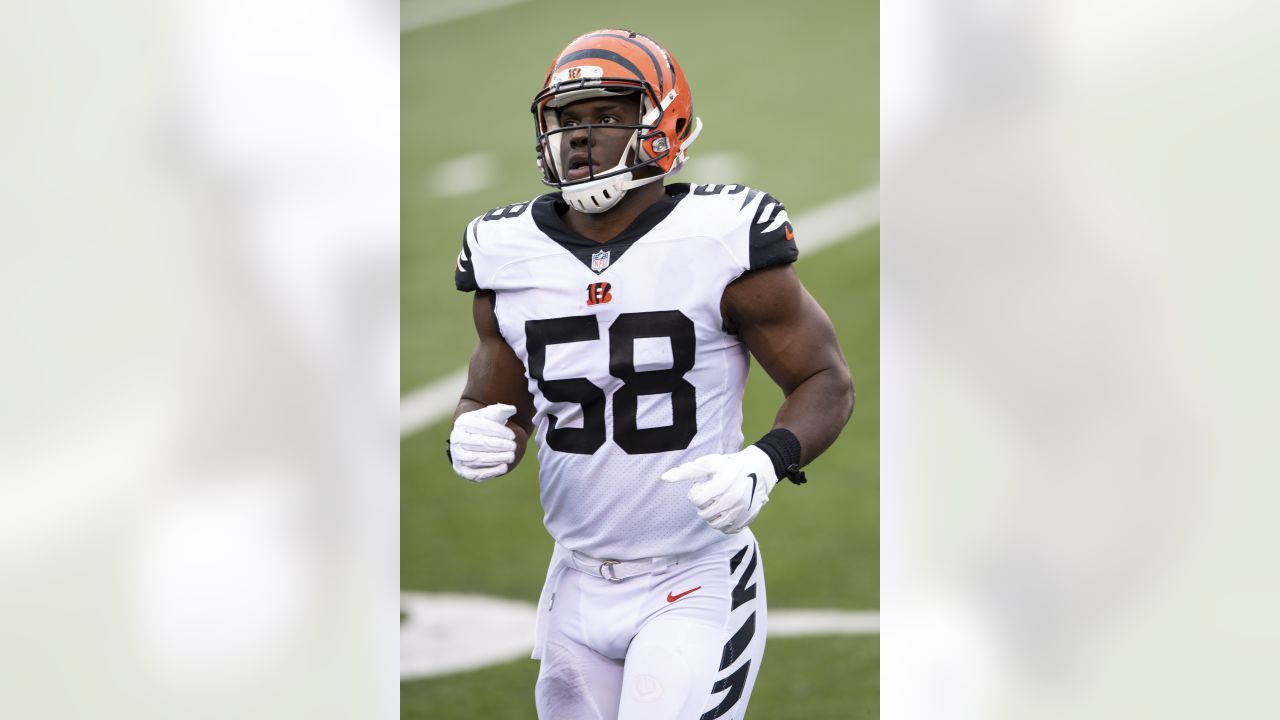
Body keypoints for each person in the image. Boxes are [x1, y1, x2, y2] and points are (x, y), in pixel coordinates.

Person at [448, 28, 854, 720]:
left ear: (662, 121)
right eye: (567, 120)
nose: (581, 137)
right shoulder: (503, 251)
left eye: (606, 115)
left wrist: (765, 460)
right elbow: (493, 404)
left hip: (693, 575)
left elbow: (825, 379)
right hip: (573, 578)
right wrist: (473, 432)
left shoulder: (720, 236)